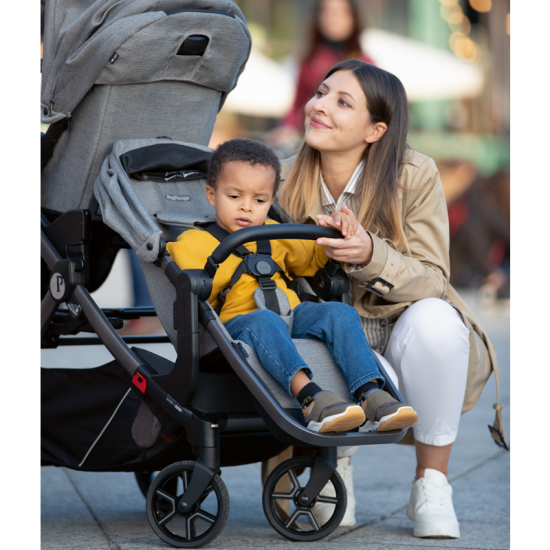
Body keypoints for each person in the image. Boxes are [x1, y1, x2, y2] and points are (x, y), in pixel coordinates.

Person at [274, 59, 506, 538]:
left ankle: (432, 482)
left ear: (376, 129)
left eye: (342, 102)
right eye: (320, 93)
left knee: (440, 321)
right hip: (322, 332)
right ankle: (334, 466)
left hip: (397, 331)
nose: (320, 106)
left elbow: (433, 279)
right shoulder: (280, 177)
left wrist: (369, 254)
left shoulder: (414, 174)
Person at [167, 138, 418, 434]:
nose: (246, 207)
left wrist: (338, 230)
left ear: (271, 202)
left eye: (259, 201)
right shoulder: (195, 242)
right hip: (238, 325)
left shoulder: (278, 233)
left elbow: (314, 256)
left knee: (338, 313)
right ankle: (310, 397)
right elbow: (191, 277)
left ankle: (371, 393)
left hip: (293, 317)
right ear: (212, 195)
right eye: (234, 197)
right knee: (265, 320)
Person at [270, 0, 373, 149]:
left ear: (353, 18)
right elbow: (298, 103)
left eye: (339, 12)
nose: (331, 17)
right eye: (325, 11)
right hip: (308, 134)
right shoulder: (309, 59)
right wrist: (288, 128)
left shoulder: (364, 62)